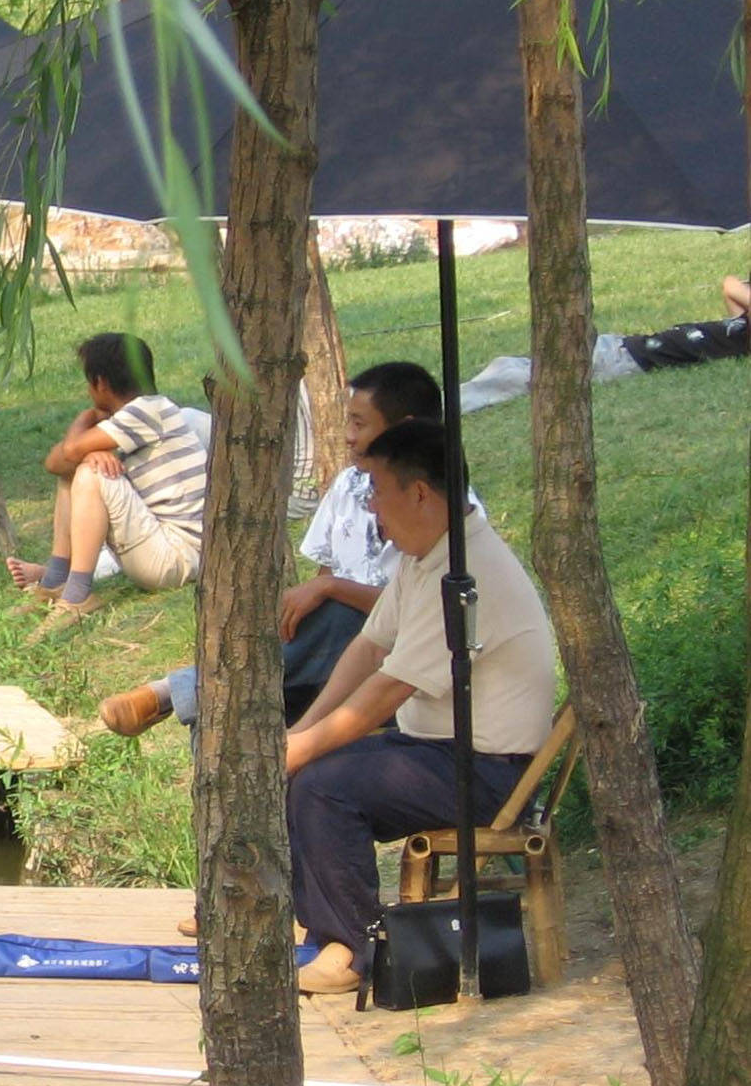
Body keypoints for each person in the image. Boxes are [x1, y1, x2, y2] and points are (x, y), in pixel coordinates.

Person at [282, 419, 557, 995]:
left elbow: (388, 688)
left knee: (324, 786)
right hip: (440, 750)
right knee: (310, 769)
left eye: (378, 492)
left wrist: (301, 751)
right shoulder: (425, 557)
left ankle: (351, 950)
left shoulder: (464, 570)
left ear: (420, 493)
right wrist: (300, 734)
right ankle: (318, 926)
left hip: (488, 772)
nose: (375, 510)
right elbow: (369, 647)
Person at [98, 361, 444, 737]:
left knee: (338, 617)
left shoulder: (440, 508)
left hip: (392, 662)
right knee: (223, 720)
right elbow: (324, 576)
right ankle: (199, 703)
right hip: (333, 655)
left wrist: (330, 590)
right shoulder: (348, 485)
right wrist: (306, 603)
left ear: (405, 428)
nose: (347, 435)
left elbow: (418, 613)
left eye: (359, 424)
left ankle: (171, 692)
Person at [2, 333, 205, 630]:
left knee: (89, 472)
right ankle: (57, 580)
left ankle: (77, 596)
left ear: (100, 383)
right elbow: (55, 464)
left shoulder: (148, 411)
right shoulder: (138, 413)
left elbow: (70, 451)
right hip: (166, 553)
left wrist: (85, 423)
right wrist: (87, 450)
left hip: (177, 559)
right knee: (76, 470)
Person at [458, 275, 751, 414]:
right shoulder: (742, 330)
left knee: (519, 376)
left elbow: (736, 288)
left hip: (629, 362)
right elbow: (730, 285)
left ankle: (436, 407)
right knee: (511, 366)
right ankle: (439, 400)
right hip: (625, 346)